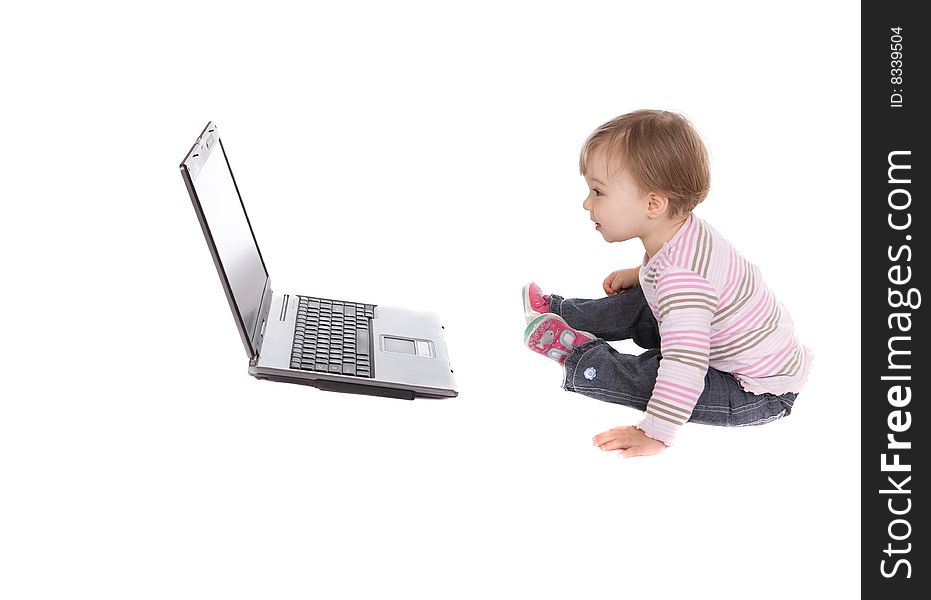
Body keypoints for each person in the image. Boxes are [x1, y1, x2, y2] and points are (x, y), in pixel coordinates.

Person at [522, 109, 812, 457]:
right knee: (641, 301)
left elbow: (685, 365)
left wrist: (655, 434)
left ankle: (580, 355)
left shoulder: (682, 281)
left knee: (657, 374)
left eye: (598, 192)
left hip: (754, 393)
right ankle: (565, 313)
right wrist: (641, 274)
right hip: (720, 339)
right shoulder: (683, 236)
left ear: (654, 204)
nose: (587, 203)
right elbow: (687, 276)